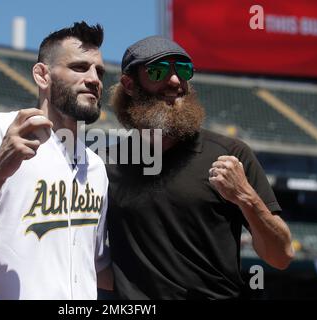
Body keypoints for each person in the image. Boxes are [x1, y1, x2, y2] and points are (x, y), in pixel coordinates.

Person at [104, 36, 294, 299]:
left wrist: (245, 197)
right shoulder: (105, 166)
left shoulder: (231, 155)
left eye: (182, 70)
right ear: (129, 84)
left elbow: (281, 256)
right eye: (158, 71)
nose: (174, 81)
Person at [0, 21, 110, 299]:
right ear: (42, 75)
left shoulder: (96, 168)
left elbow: (94, 267)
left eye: (99, 71)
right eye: (79, 67)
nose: (94, 79)